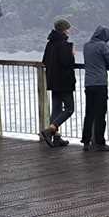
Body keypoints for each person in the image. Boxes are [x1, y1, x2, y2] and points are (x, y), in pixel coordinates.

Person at [40, 19, 76, 147]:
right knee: (70, 108)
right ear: (65, 29)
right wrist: (72, 54)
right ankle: (50, 130)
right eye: (68, 28)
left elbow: (44, 61)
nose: (69, 30)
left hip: (53, 80)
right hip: (64, 82)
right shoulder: (64, 44)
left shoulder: (50, 43)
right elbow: (67, 62)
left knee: (56, 109)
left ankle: (56, 137)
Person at [82, 26, 109, 152]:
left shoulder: (86, 45)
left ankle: (86, 141)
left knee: (89, 113)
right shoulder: (102, 45)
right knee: (100, 114)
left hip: (88, 83)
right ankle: (100, 142)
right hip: (100, 84)